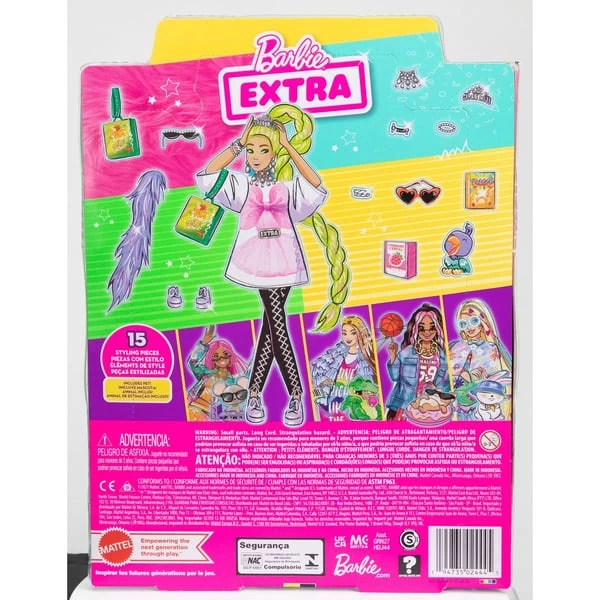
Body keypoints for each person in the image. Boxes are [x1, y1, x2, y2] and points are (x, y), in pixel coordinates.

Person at [196, 103, 349, 427]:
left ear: (273, 153)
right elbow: (208, 174)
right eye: (251, 149)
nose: (254, 156)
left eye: (263, 149)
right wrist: (239, 143)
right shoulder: (241, 186)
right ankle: (293, 395)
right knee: (275, 328)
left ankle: (257, 394)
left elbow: (316, 185)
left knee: (273, 327)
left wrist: (289, 147)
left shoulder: (286, 188)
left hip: (284, 260)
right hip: (254, 261)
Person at [385, 303, 450, 421]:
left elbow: (441, 381)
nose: (427, 332)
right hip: (406, 403)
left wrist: (437, 393)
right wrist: (393, 355)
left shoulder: (441, 355)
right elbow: (395, 377)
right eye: (422, 328)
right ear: (415, 328)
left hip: (428, 405)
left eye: (432, 328)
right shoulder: (408, 352)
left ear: (438, 328)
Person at [311, 316, 379, 417]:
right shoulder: (337, 353)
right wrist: (323, 381)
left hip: (348, 409)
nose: (348, 337)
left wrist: (364, 393)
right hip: (327, 407)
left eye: (353, 333)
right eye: (344, 333)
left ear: (360, 333)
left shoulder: (364, 359)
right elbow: (316, 369)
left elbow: (367, 385)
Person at [186, 325, 249, 421]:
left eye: (225, 355)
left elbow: (232, 403)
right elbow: (192, 362)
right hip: (193, 407)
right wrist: (203, 344)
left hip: (210, 417)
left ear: (230, 357)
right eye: (216, 356)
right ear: (212, 360)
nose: (221, 359)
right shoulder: (207, 373)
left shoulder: (232, 382)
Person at [449, 299, 512, 386]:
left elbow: (496, 378)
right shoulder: (456, 347)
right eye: (463, 323)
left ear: (483, 321)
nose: (469, 327)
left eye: (474, 321)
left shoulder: (491, 348)